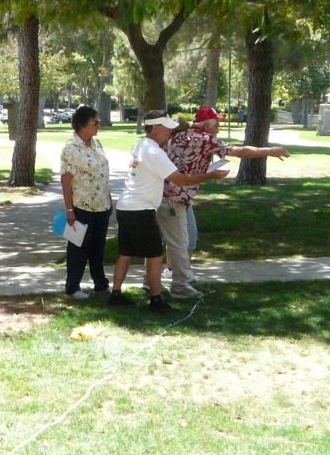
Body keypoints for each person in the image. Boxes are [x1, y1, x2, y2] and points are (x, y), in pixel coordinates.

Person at [160, 106, 291, 298]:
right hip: (176, 197)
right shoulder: (204, 139)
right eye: (217, 123)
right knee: (183, 240)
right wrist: (269, 151)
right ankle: (181, 285)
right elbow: (239, 151)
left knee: (181, 238)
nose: (218, 127)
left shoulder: (181, 135)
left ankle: (172, 273)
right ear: (207, 123)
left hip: (168, 194)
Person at [110, 111, 228, 313]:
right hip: (142, 209)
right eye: (166, 127)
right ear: (154, 128)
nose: (169, 131)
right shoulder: (154, 153)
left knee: (125, 252)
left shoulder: (140, 145)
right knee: (155, 255)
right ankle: (156, 300)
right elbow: (180, 179)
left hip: (125, 206)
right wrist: (211, 175)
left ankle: (116, 295)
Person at [60, 105, 112, 300]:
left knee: (98, 248)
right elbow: (66, 180)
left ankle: (100, 283)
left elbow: (103, 174)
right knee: (78, 248)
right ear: (82, 125)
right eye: (94, 122)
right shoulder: (71, 148)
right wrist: (69, 209)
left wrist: (109, 199)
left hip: (101, 204)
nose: (98, 125)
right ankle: (73, 287)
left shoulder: (97, 144)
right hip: (82, 205)